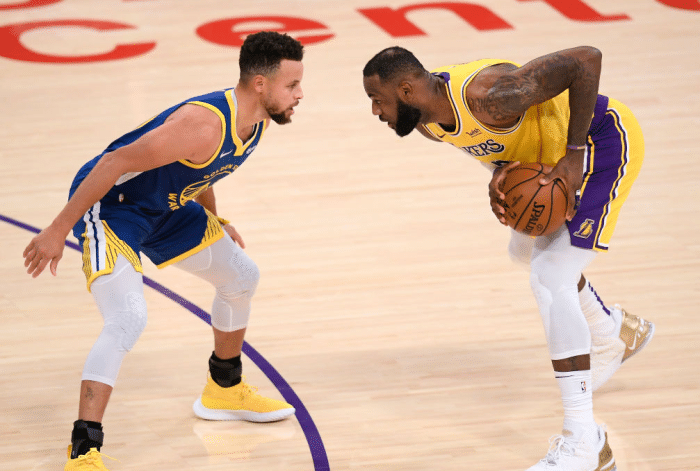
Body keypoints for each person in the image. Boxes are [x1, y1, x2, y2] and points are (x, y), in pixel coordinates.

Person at [362, 46, 654, 470]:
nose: (375, 111)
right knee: (523, 251)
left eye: (378, 99)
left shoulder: (492, 95)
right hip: (548, 161)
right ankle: (611, 333)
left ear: (406, 91)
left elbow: (586, 60)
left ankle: (584, 442)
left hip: (600, 144)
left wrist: (574, 155)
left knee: (550, 275)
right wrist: (500, 175)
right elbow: (492, 145)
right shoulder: (429, 122)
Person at [23, 31, 304, 471]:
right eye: (292, 85)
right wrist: (57, 230)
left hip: (165, 207)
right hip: (113, 207)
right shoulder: (203, 123)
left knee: (241, 276)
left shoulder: (256, 123)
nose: (299, 94)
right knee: (128, 318)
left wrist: (215, 220)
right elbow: (113, 162)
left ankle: (224, 390)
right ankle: (83, 450)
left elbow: (205, 171)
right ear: (260, 85)